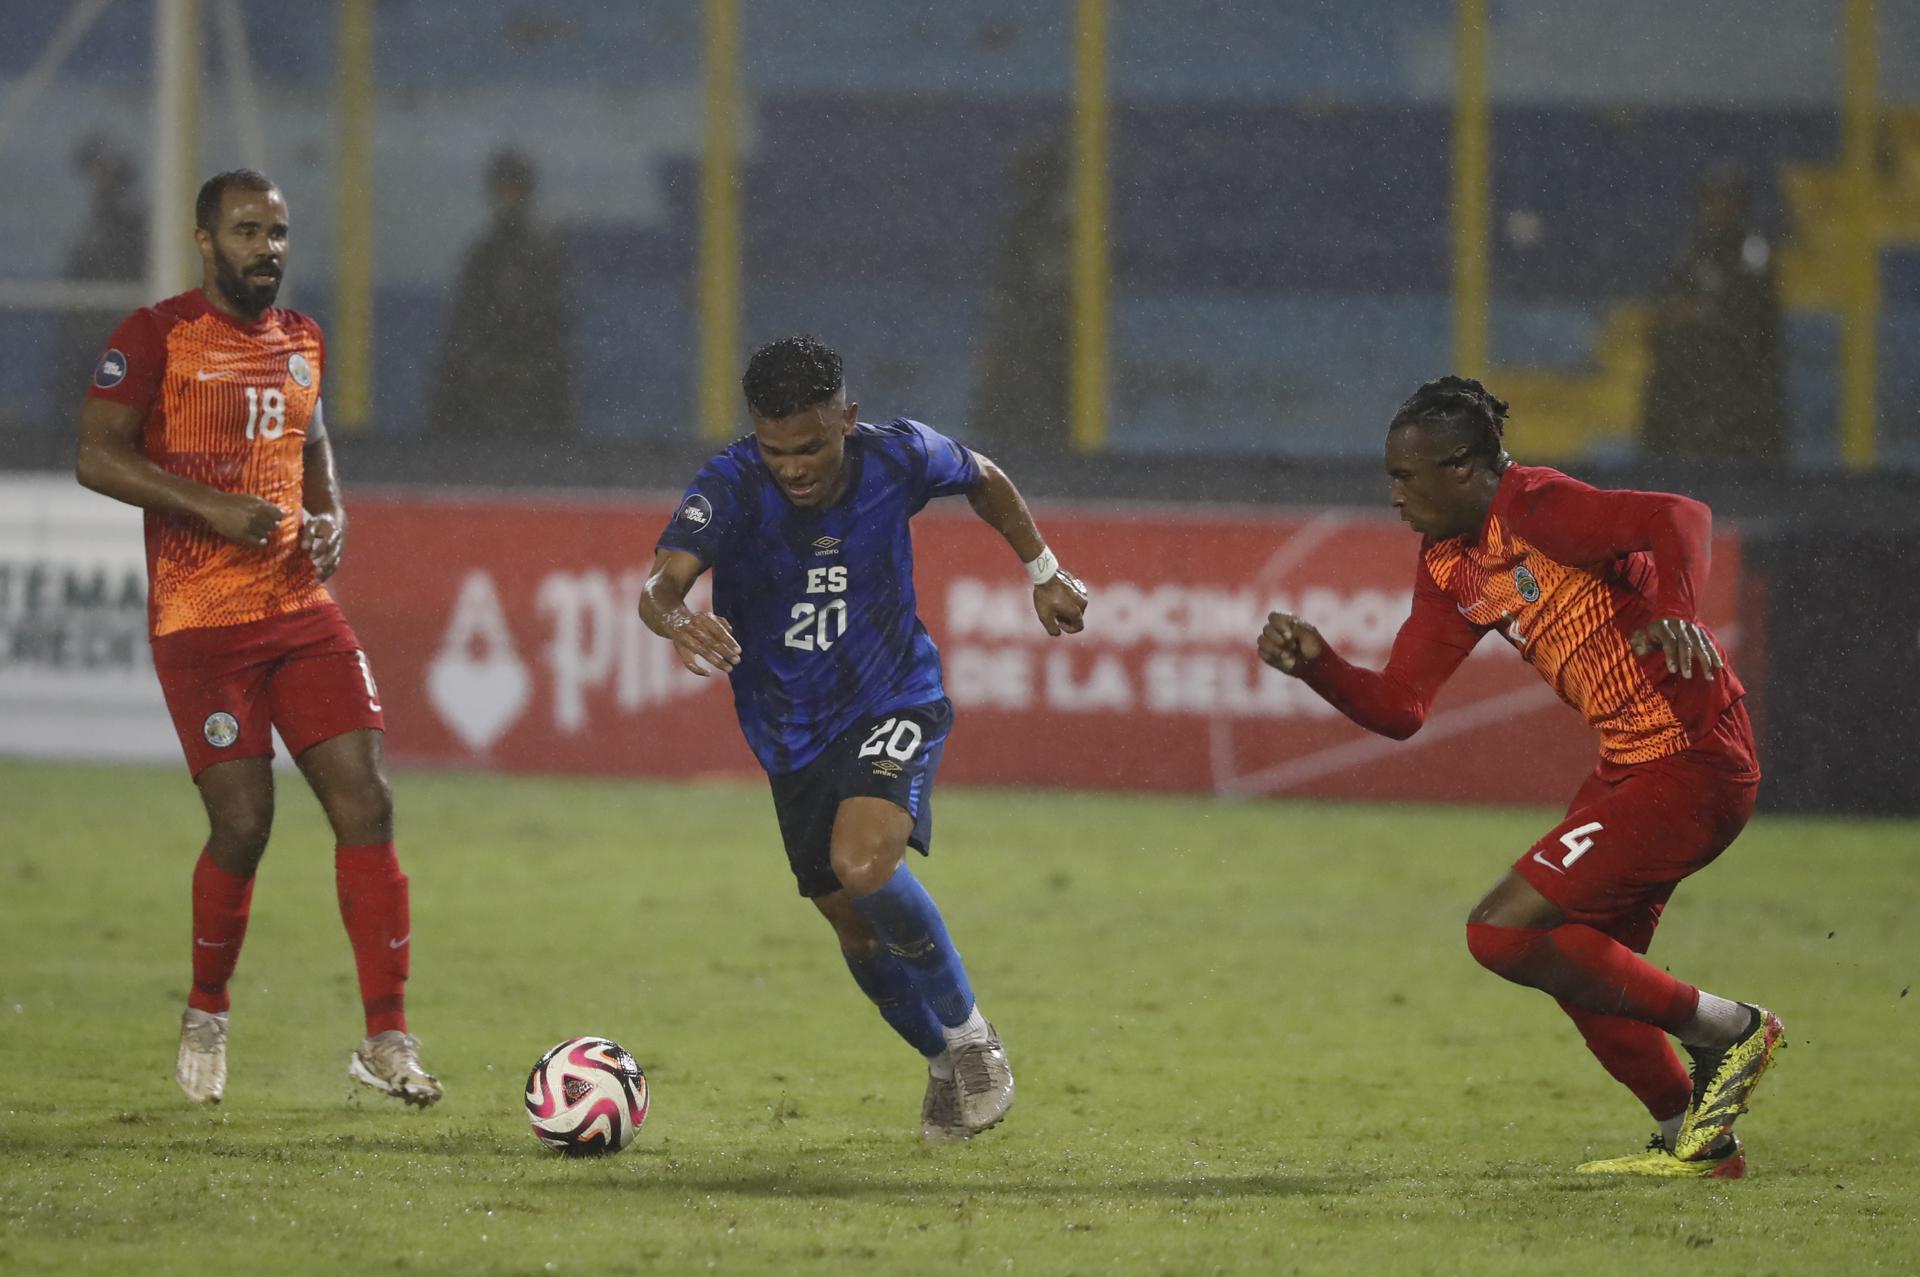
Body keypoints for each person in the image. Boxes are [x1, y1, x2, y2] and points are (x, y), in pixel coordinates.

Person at [1258, 376, 1783, 1178]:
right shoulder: (1449, 562)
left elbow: (1680, 515)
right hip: (1632, 764)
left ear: (1464, 467)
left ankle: (1729, 1028)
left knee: (1501, 930)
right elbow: (1404, 706)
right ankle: (1702, 1141)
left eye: (1407, 476)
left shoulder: (1537, 507)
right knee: (1583, 965)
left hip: (1692, 759)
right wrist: (1321, 667)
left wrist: (1678, 605)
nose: (1393, 495)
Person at [638, 335, 1088, 1141]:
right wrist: (677, 620)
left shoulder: (899, 456)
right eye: (777, 450)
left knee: (865, 862)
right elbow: (660, 584)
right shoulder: (732, 483)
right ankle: (944, 1062)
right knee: (849, 916)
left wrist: (1043, 568)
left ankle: (972, 1037)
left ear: (847, 418)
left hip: (893, 698)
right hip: (788, 733)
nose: (795, 467)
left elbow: (982, 477)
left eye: (811, 445)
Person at [74, 169, 441, 1108]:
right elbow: (96, 455)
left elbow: (313, 440)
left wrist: (331, 515)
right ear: (206, 242)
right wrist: (206, 505)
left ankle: (387, 1038)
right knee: (244, 824)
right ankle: (206, 1007)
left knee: (368, 802)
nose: (267, 248)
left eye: (277, 231)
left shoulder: (304, 337)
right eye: (246, 231)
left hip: (298, 609)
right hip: (201, 623)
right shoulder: (154, 337)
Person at [1640, 168, 1789, 463]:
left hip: (1738, 385)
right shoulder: (1695, 250)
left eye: (1725, 200)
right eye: (1711, 200)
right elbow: (1668, 305)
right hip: (1694, 384)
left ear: (1739, 205)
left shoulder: (1753, 250)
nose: (1717, 208)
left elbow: (1752, 314)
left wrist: (1702, 312)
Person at [432, 149, 574, 437]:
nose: (508, 197)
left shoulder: (543, 254)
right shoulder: (484, 254)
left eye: (515, 188)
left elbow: (553, 323)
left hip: (533, 386)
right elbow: (466, 322)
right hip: (485, 385)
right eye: (503, 188)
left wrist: (526, 367)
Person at [48, 135, 146, 419]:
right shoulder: (101, 217)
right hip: (87, 322)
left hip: (109, 324)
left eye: (101, 170)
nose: (95, 179)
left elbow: (125, 267)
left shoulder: (129, 218)